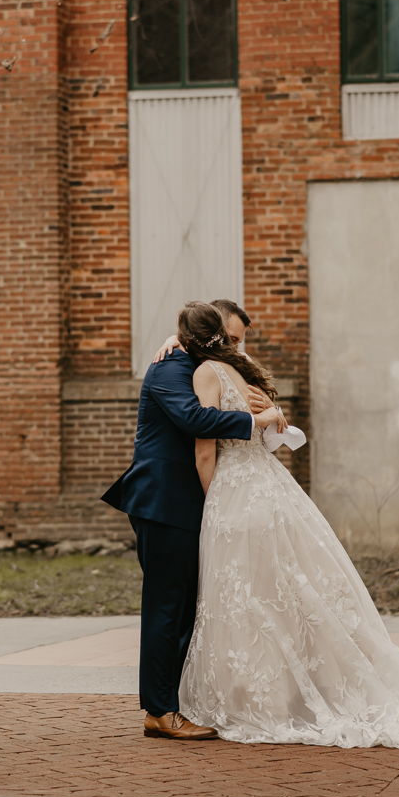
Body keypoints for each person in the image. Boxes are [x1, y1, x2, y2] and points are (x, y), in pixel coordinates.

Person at [176, 300, 399, 748]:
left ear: (188, 342)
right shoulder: (243, 370)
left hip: (234, 496)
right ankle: (287, 696)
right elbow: (264, 432)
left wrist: (211, 501)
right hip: (270, 490)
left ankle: (258, 704)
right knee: (281, 599)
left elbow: (205, 450)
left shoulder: (205, 375)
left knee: (244, 604)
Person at [101, 314, 285, 741]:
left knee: (187, 606)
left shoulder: (209, 365)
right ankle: (160, 711)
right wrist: (254, 422)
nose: (234, 347)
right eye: (227, 339)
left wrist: (267, 411)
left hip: (193, 503)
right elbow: (194, 420)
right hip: (164, 501)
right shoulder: (169, 366)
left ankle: (178, 700)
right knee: (167, 606)